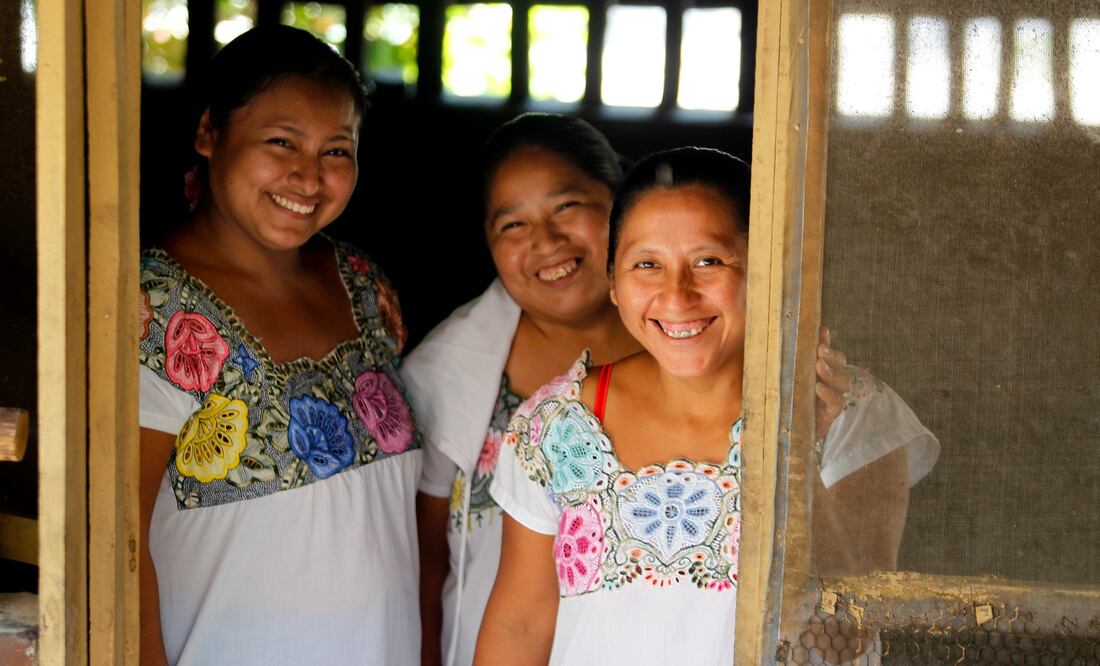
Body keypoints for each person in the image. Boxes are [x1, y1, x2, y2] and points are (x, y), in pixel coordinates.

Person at [476, 147, 939, 664]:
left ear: (765, 271)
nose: (677, 296)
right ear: (613, 283)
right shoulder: (556, 428)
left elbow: (845, 638)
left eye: (708, 261)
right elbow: (519, 626)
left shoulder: (849, 410)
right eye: (646, 264)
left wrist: (794, 450)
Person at [138, 26, 420, 665]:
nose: (308, 176)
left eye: (336, 150)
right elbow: (115, 542)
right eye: (282, 142)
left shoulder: (363, 284)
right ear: (209, 131)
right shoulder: (148, 310)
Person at [403, 113, 643, 666]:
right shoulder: (443, 375)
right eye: (513, 225)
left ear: (621, 202)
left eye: (567, 206)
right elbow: (426, 563)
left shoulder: (693, 339)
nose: (547, 242)